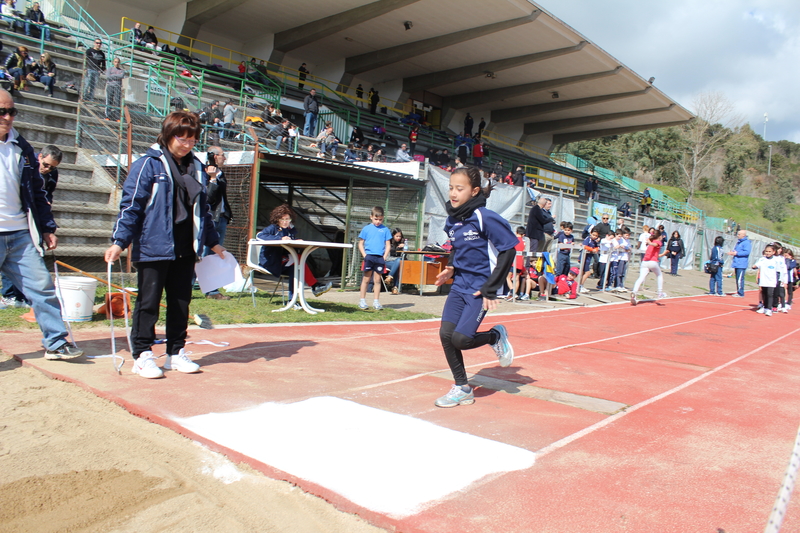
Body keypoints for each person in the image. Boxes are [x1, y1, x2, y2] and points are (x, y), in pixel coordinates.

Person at [104, 111, 225, 379]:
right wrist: (119, 241)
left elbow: (203, 210)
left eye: (193, 140)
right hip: (153, 245)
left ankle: (175, 352)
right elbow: (132, 205)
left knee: (181, 303)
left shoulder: (195, 166)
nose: (187, 144)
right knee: (149, 302)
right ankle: (142, 354)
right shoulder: (148, 164)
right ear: (169, 135)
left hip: (185, 247)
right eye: (182, 138)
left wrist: (213, 243)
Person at [0, 89, 83, 358]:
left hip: (19, 234)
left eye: (12, 111)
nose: (8, 117)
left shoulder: (21, 147)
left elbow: (38, 192)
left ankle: (56, 343)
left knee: (42, 288)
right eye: (2, 111)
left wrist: (47, 227)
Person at [432, 166, 517, 408]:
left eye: (460, 188)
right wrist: (450, 267)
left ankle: (495, 336)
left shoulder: (484, 217)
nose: (453, 193)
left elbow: (509, 249)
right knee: (446, 336)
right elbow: (457, 247)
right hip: (459, 285)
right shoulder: (453, 219)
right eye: (450, 188)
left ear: (474, 190)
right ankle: (462, 388)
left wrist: (492, 286)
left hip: (480, 288)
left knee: (462, 339)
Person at [2, 143, 61, 306]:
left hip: (36, 216)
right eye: (46, 165)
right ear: (40, 156)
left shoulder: (52, 173)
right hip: (16, 216)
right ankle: (9, 295)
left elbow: (47, 194)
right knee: (11, 253)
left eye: (52, 167)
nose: (48, 169)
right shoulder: (25, 164)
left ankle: (23, 295)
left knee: (30, 255)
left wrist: (47, 224)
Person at [256, 204, 332, 309]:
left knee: (296, 268)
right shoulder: (272, 228)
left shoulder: (290, 230)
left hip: (284, 261)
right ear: (277, 219)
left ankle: (292, 301)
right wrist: (280, 239)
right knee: (299, 259)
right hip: (271, 262)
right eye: (282, 219)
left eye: (287, 219)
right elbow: (259, 236)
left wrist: (295, 241)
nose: (285, 221)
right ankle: (315, 286)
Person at [202, 146, 233, 300]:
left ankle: (212, 290)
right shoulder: (204, 174)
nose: (224, 158)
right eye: (222, 155)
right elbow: (208, 199)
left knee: (216, 255)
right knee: (203, 254)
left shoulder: (221, 174)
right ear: (214, 156)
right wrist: (212, 179)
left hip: (221, 218)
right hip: (209, 220)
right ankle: (193, 286)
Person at [358, 206, 392, 310]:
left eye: (380, 219)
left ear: (383, 218)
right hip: (369, 257)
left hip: (379, 258)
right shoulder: (366, 228)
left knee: (377, 280)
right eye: (376, 219)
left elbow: (388, 245)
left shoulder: (385, 230)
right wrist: (365, 255)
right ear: (371, 217)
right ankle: (362, 301)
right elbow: (360, 243)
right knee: (366, 279)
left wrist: (384, 257)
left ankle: (376, 301)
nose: (378, 221)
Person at [631, 229, 666, 304]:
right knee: (659, 275)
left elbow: (655, 252)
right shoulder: (657, 242)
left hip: (645, 262)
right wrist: (650, 242)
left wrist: (649, 242)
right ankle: (660, 292)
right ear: (659, 236)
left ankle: (634, 292)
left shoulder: (651, 242)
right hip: (652, 262)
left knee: (641, 277)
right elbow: (655, 245)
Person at [752, 244, 787, 317]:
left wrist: (780, 280)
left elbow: (779, 271)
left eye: (769, 251)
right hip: (764, 280)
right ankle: (764, 307)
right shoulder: (762, 259)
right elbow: (756, 265)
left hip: (772, 280)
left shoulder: (776, 260)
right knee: (764, 294)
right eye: (766, 251)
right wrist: (754, 266)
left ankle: (769, 309)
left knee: (770, 294)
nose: (768, 253)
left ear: (773, 252)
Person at [728, 229, 751, 297]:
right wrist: (732, 252)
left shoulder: (746, 243)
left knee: (740, 279)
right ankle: (738, 291)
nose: (738, 235)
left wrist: (736, 253)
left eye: (739, 234)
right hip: (737, 262)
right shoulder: (738, 242)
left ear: (743, 235)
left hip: (741, 263)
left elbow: (747, 252)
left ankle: (741, 293)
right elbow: (736, 250)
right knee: (737, 278)